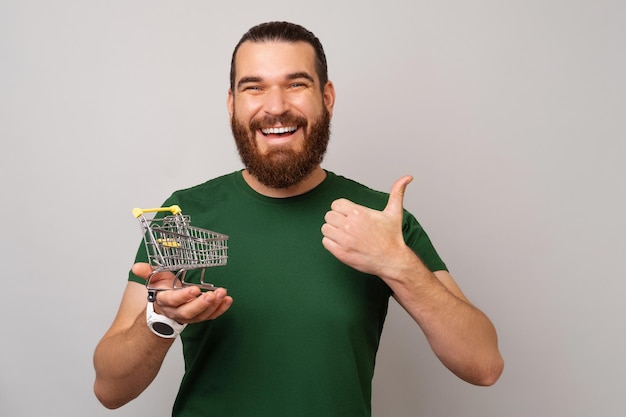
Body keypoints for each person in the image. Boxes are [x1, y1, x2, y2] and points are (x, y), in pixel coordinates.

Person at [93, 21, 504, 416]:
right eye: (253, 87)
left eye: (296, 84)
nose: (276, 107)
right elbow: (110, 390)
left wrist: (397, 263)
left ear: (326, 97)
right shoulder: (183, 217)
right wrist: (160, 319)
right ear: (232, 104)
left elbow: (483, 364)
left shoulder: (382, 220)